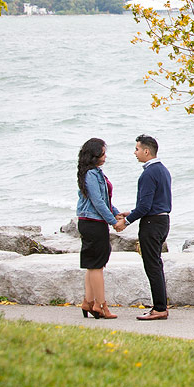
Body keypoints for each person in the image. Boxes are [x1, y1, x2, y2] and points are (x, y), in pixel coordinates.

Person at [116, 134, 172, 321]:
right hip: (163, 220)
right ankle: (161, 305)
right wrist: (131, 212)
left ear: (147, 151)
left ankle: (159, 308)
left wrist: (126, 221)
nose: (135, 153)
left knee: (152, 265)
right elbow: (153, 202)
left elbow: (145, 207)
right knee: (156, 263)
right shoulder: (163, 170)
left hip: (152, 223)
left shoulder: (148, 173)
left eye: (137, 149)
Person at [75, 137, 120, 319]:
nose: (105, 156)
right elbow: (98, 202)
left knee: (92, 265)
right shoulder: (91, 175)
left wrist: (117, 214)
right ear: (95, 155)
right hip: (93, 223)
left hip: (92, 221)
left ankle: (88, 302)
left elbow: (105, 201)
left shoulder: (94, 173)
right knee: (97, 266)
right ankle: (101, 306)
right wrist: (113, 221)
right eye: (103, 153)